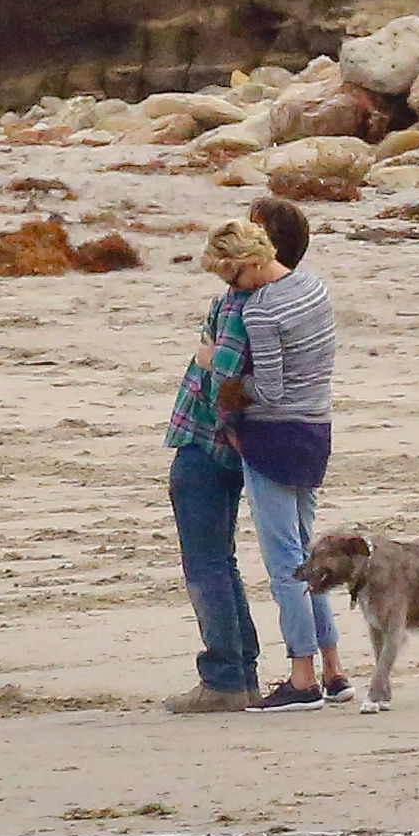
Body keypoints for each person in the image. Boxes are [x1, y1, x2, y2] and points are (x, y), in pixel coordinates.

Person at [163, 199, 312, 714]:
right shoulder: (292, 296)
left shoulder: (241, 304)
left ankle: (228, 674)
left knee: (207, 560)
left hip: (207, 439)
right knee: (227, 559)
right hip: (253, 437)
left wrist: (206, 364)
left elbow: (221, 379)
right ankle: (242, 670)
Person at [201, 219, 354, 712]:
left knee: (287, 561)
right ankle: (333, 670)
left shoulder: (263, 312)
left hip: (273, 436)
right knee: (308, 552)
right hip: (316, 429)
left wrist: (217, 369)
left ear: (248, 264)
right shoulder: (312, 286)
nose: (230, 288)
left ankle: (302, 675)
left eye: (231, 276)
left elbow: (268, 389)